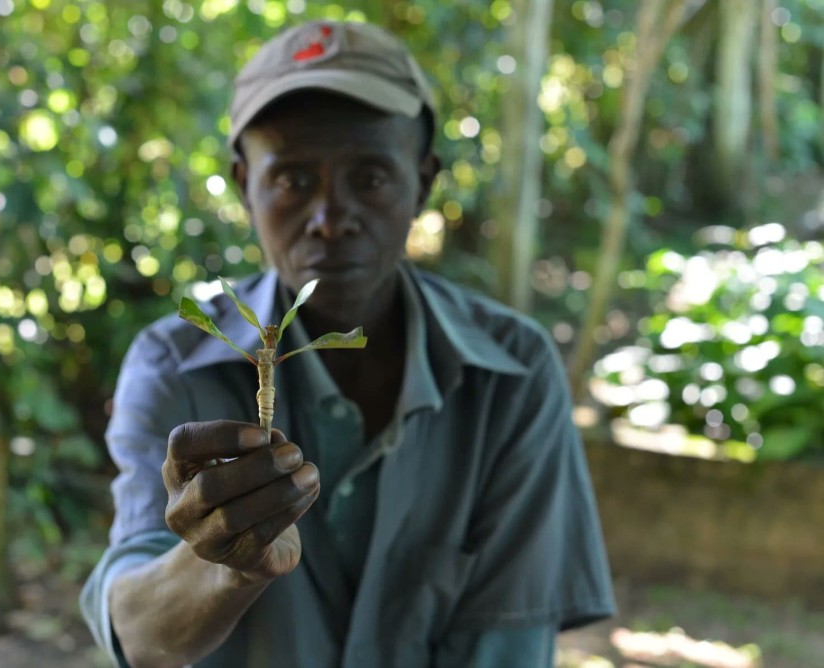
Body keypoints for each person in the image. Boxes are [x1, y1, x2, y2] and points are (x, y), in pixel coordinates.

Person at [80, 20, 615, 668]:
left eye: (370, 178)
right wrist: (228, 566)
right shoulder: (174, 366)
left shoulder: (513, 373)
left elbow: (508, 647)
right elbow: (137, 634)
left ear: (422, 183)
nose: (331, 219)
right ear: (244, 186)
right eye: (293, 180)